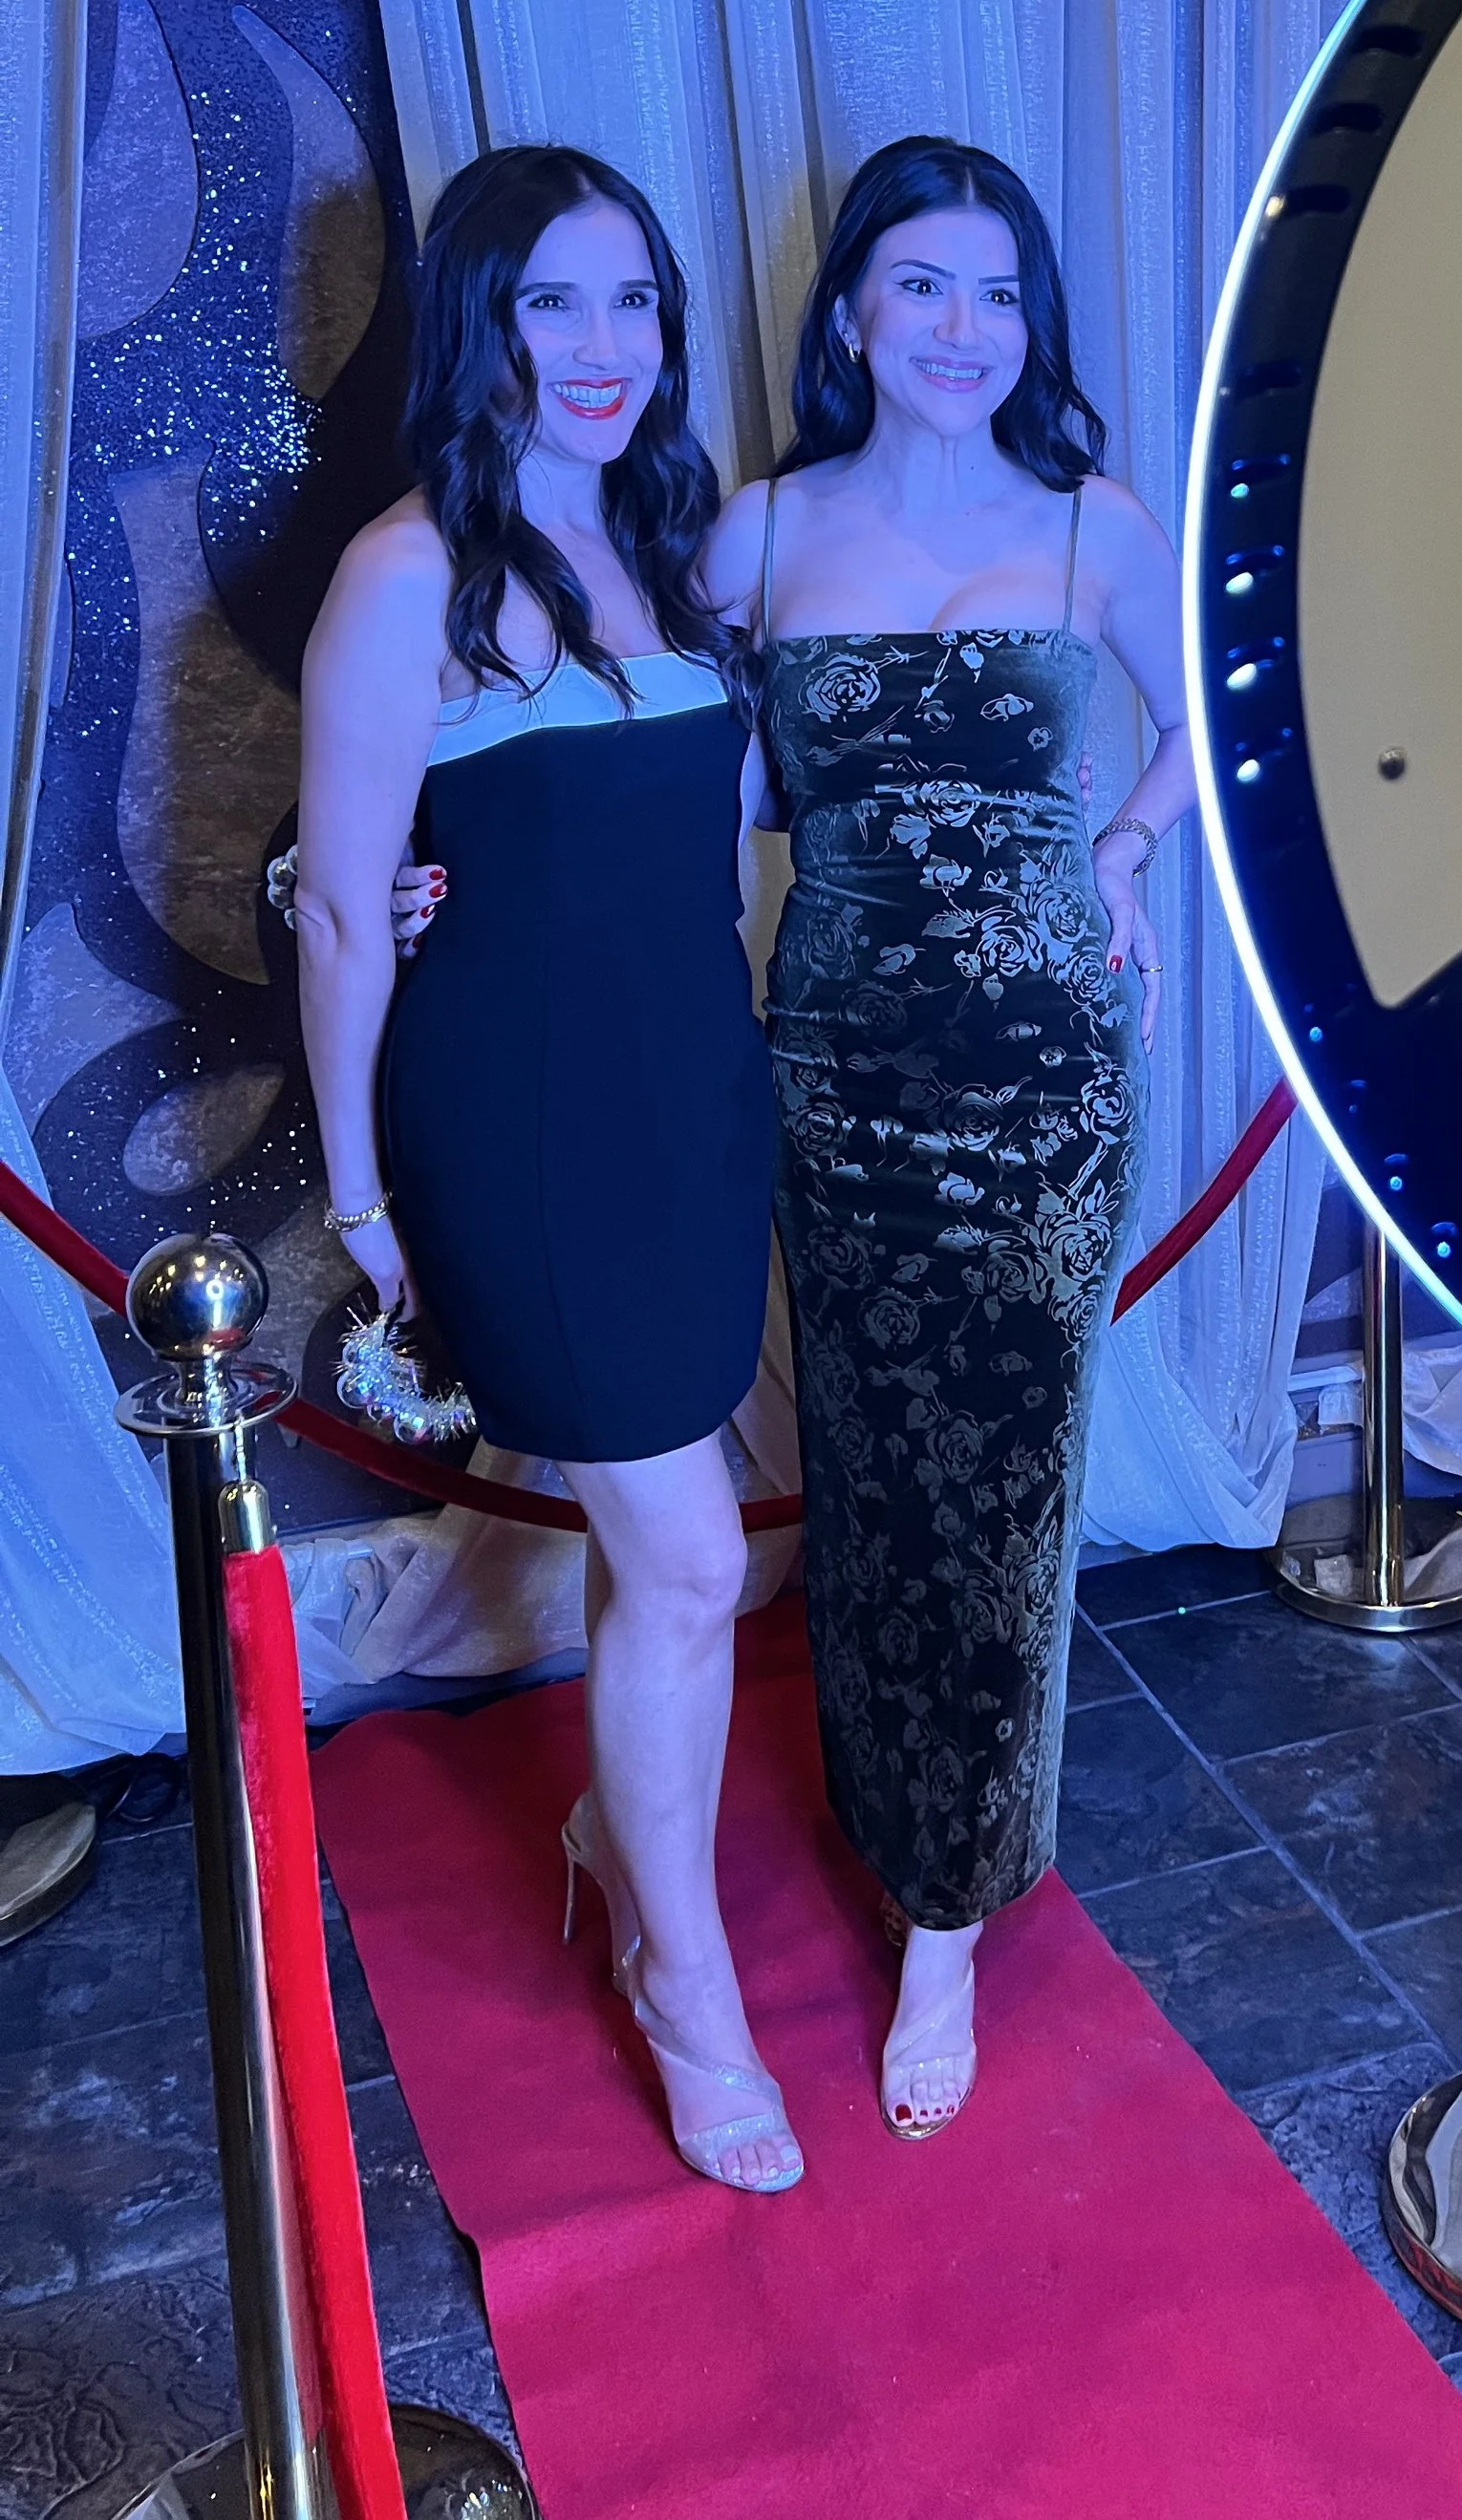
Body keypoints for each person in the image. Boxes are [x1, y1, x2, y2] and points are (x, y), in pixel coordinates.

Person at [293, 144, 800, 2196]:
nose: (604, 347)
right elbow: (347, 910)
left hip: (694, 1098)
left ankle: (614, 1826)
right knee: (689, 1558)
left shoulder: (678, 541)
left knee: (653, 1527)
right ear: (479, 326)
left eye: (634, 301)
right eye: (551, 304)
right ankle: (686, 1982)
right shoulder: (405, 573)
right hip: (516, 1120)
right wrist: (361, 1199)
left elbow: (711, 830)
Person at [706, 135, 1193, 2138]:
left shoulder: (1091, 525)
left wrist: (1125, 851)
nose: (962, 328)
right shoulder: (754, 532)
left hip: (1043, 1074)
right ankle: (880, 1805)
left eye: (1000, 293)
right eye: (923, 283)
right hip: (832, 1065)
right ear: (850, 312)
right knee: (867, 1464)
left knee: (1003, 1483)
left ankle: (946, 1919)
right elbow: (683, 774)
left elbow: (1220, 717)